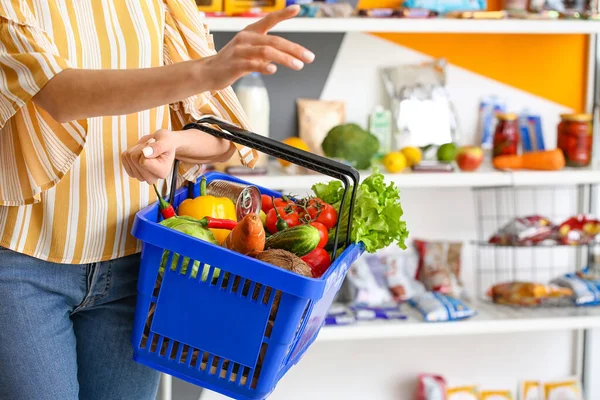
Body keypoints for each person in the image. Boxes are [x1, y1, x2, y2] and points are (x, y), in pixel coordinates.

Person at [0, 1, 314, 399]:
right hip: (24, 267)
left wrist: (177, 141)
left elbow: (223, 135)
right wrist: (207, 70)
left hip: (137, 268)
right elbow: (59, 93)